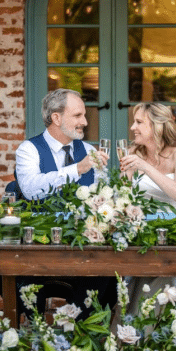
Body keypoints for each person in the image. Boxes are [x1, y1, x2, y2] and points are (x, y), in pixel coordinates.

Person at [13, 88, 117, 320]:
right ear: (56, 118)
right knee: (24, 276)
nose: (85, 122)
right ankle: (37, 333)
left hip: (84, 246)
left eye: (84, 116)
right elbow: (30, 190)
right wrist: (77, 169)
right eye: (78, 116)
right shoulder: (29, 150)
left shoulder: (89, 151)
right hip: (41, 246)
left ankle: (78, 329)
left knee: (109, 269)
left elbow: (104, 197)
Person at [119, 102, 176, 331]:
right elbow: (123, 198)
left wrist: (146, 168)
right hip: (141, 232)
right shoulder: (132, 153)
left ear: (157, 126)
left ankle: (174, 334)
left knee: (170, 275)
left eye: (139, 122)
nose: (132, 127)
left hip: (175, 230)